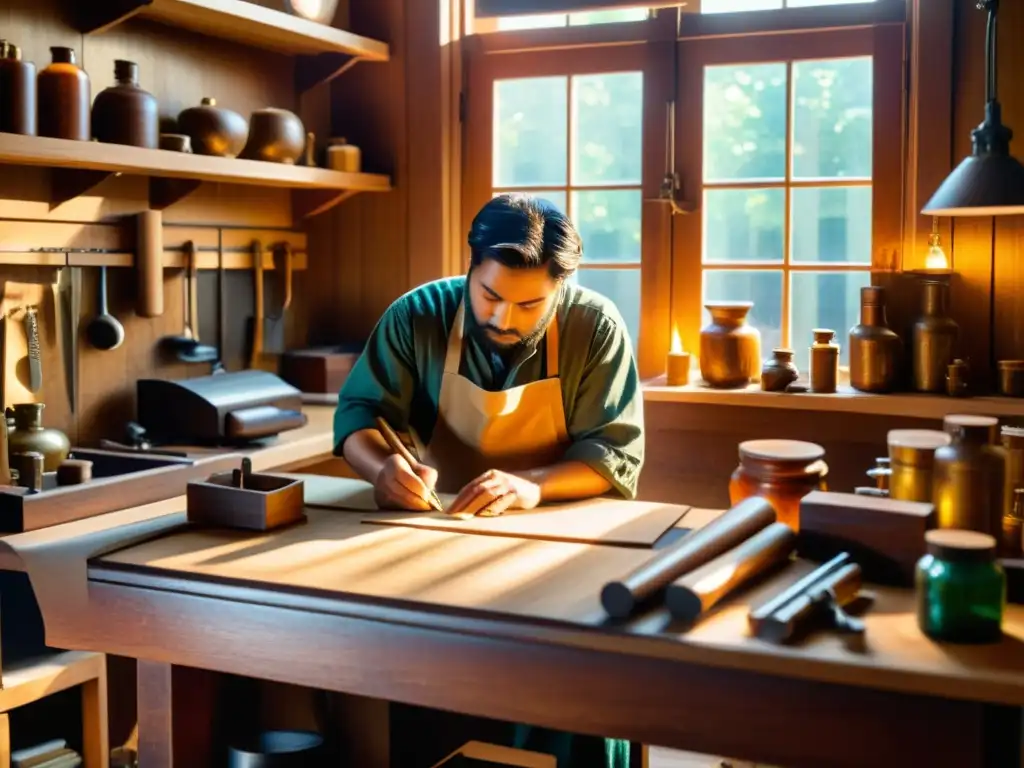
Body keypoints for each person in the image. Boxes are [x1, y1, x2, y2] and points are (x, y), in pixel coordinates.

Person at [333, 193, 645, 767]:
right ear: (470, 266)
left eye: (530, 305)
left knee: (572, 680)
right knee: (426, 678)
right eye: (491, 295)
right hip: (435, 531)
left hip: (558, 539)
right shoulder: (417, 315)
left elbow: (613, 453)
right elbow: (358, 417)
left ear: (560, 287)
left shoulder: (594, 325)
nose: (504, 319)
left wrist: (534, 485)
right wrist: (383, 470)